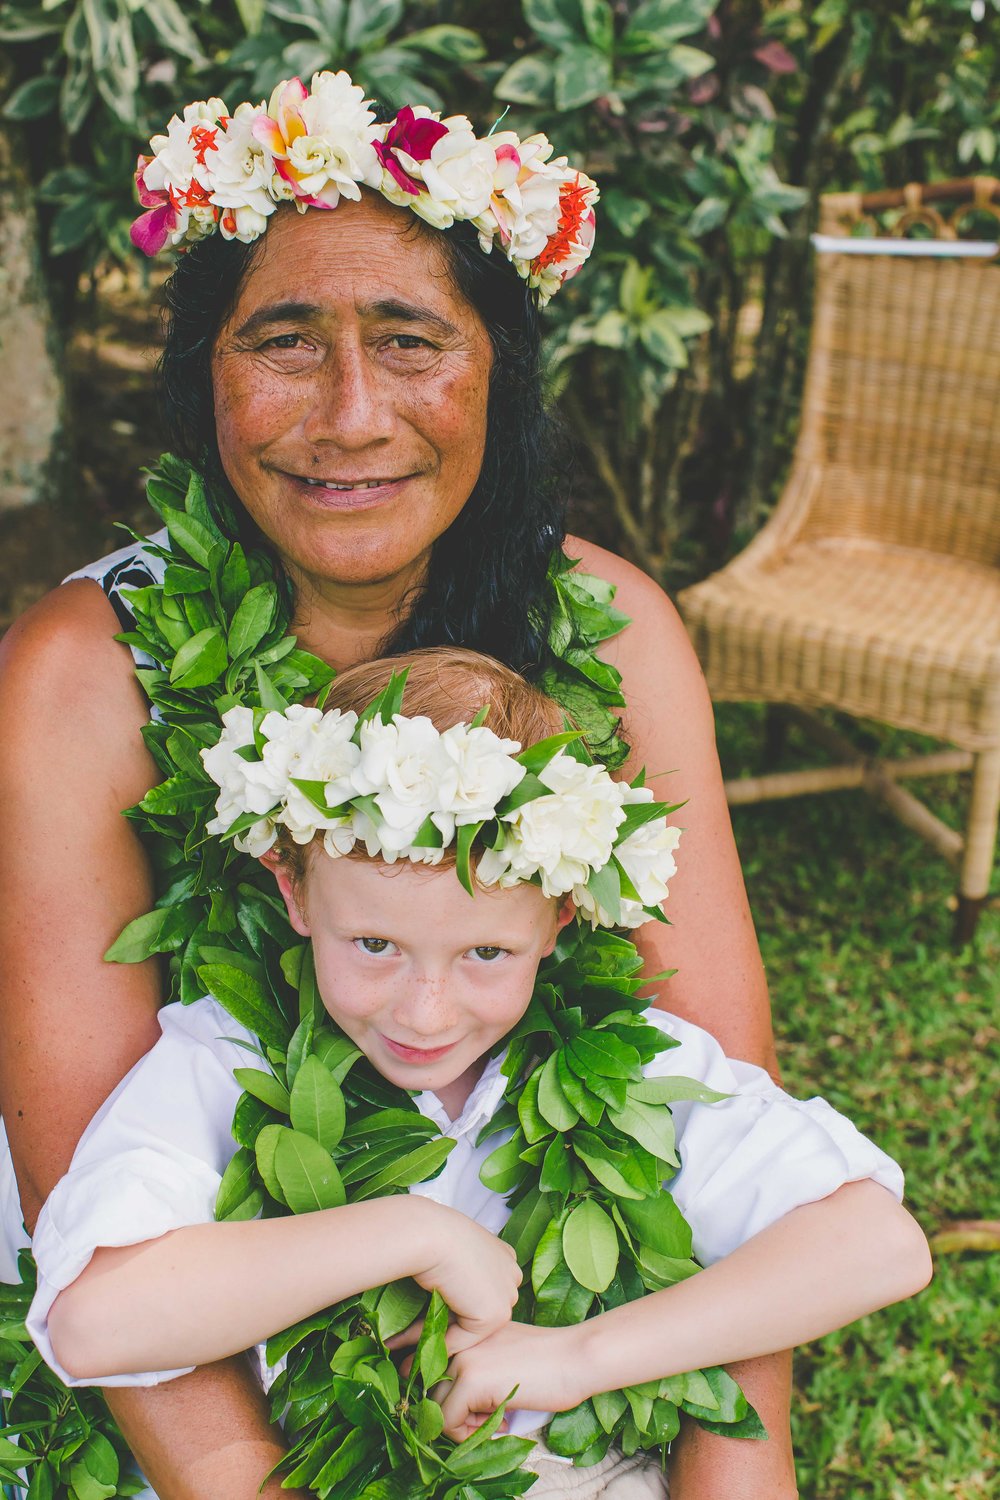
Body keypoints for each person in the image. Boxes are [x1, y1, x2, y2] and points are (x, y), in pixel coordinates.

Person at [0, 70, 784, 1498]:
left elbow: (725, 1127)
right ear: (204, 376)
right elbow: (85, 1199)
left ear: (500, 365)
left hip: (554, 1360)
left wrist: (735, 1485)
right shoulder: (80, 670)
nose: (351, 416)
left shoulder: (616, 630)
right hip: (179, 1372)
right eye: (285, 342)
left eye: (412, 340)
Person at [22, 649, 930, 1500]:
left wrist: (580, 1357)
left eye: (487, 953)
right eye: (374, 944)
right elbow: (93, 1323)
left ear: (563, 921)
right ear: (294, 890)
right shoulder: (226, 1060)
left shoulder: (620, 1061)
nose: (426, 1010)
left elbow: (880, 1245)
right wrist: (409, 1233)